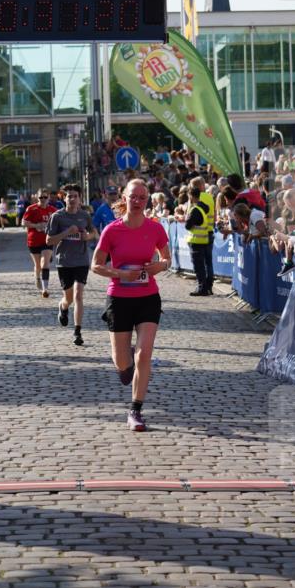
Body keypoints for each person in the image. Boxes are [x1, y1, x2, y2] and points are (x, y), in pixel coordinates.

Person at [92, 178, 170, 432]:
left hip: (148, 298)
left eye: (142, 198)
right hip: (119, 299)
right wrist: (120, 274)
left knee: (144, 353)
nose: (137, 201)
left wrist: (160, 265)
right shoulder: (112, 230)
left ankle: (135, 410)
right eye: (133, 196)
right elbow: (95, 265)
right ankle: (127, 361)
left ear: (147, 201)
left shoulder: (155, 228)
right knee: (122, 364)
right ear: (124, 198)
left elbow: (166, 258)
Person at [46, 184, 97, 346]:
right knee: (68, 298)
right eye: (69, 196)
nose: (72, 199)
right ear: (64, 198)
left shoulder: (85, 216)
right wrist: (67, 232)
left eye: (75, 196)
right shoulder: (57, 217)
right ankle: (63, 307)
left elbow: (94, 233)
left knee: (78, 295)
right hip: (64, 262)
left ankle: (77, 331)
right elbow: (49, 240)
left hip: (81, 261)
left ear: (80, 199)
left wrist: (86, 237)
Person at [23, 189, 58, 296]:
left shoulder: (53, 210)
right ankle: (37, 277)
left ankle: (45, 289)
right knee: (38, 266)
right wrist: (37, 225)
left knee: (45, 263)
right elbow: (24, 222)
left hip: (47, 241)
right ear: (37, 198)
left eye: (45, 197)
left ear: (48, 198)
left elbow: (59, 223)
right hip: (33, 241)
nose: (43, 199)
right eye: (40, 197)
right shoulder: (31, 208)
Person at [184, 184, 214, 296]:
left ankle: (202, 288)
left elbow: (188, 226)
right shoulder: (203, 208)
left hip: (196, 241)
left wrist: (187, 216)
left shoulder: (195, 210)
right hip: (203, 240)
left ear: (191, 196)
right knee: (205, 264)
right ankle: (206, 287)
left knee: (198, 266)